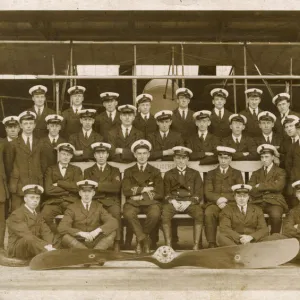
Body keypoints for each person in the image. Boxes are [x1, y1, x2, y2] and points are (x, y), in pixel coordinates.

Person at [122, 139, 163, 254]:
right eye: (139, 153)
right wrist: (145, 189)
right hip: (133, 203)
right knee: (128, 213)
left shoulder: (155, 171)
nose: (142, 156)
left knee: (155, 213)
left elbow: (159, 192)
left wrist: (140, 196)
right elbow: (126, 190)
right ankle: (144, 240)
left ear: (149, 154)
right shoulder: (129, 171)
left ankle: (141, 239)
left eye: (144, 153)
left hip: (150, 202)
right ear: (135, 155)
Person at [162, 146, 203, 250]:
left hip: (189, 202)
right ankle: (168, 245)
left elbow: (198, 192)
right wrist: (173, 201)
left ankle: (196, 245)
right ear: (174, 159)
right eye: (178, 158)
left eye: (184, 158)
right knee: (165, 214)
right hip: (174, 202)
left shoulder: (195, 174)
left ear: (187, 159)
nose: (181, 161)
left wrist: (189, 202)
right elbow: (166, 192)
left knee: (199, 213)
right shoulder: (168, 174)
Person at [57, 180, 118, 251]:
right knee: (65, 237)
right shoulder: (72, 207)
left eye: (89, 192)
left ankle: (91, 253)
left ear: (93, 193)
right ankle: (94, 254)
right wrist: (81, 233)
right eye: (84, 191)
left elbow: (113, 222)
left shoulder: (98, 206)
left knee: (112, 232)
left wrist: (97, 231)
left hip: (96, 240)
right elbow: (62, 227)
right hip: (79, 241)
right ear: (80, 193)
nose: (86, 195)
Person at [83, 142, 122, 252]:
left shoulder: (114, 170)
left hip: (111, 201)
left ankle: (117, 242)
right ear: (94, 155)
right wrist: (105, 188)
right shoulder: (88, 171)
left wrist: (97, 186)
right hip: (95, 200)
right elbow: (88, 189)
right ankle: (94, 242)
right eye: (98, 153)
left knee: (116, 212)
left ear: (107, 155)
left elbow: (116, 188)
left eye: (103, 153)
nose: (101, 156)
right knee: (90, 213)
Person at [204, 146, 244, 248]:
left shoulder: (236, 173)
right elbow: (207, 192)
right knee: (209, 212)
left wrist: (225, 198)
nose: (223, 161)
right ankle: (211, 242)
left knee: (233, 213)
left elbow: (239, 191)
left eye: (226, 158)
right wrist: (218, 199)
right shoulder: (211, 173)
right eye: (221, 158)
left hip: (231, 203)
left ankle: (233, 241)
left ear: (230, 159)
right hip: (214, 203)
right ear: (218, 158)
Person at [4, 111, 43, 211]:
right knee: (17, 215)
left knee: (34, 216)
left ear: (34, 125)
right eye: (25, 123)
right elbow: (8, 167)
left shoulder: (40, 143)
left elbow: (43, 165)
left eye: (30, 123)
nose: (28, 126)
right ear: (20, 125)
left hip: (35, 184)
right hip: (18, 186)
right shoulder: (13, 144)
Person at [6, 184, 58, 259]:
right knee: (28, 239)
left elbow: (46, 232)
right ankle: (50, 255)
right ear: (25, 199)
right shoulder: (16, 214)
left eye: (37, 198)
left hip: (35, 245)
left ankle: (51, 253)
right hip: (17, 249)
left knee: (57, 237)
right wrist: (45, 246)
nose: (35, 200)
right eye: (32, 197)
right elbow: (27, 235)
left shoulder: (38, 215)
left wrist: (50, 244)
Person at [41, 143, 83, 231]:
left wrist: (59, 183)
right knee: (44, 217)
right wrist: (68, 190)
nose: (65, 157)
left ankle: (70, 240)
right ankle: (54, 238)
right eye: (63, 154)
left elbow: (77, 188)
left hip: (71, 202)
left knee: (78, 218)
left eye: (68, 155)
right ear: (59, 154)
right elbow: (48, 190)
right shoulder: (50, 169)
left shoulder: (76, 170)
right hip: (54, 202)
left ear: (71, 156)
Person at [248, 144, 288, 234]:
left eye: (267, 157)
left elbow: (278, 186)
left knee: (276, 215)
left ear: (273, 157)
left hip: (275, 202)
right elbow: (251, 189)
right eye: (262, 157)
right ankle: (256, 239)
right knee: (251, 214)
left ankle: (275, 239)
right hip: (258, 202)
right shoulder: (256, 173)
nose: (264, 159)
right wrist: (269, 188)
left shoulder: (280, 171)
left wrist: (260, 186)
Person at [0, 140, 9, 249]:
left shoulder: (3, 144)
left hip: (0, 189)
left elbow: (6, 169)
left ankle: (0, 247)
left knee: (1, 221)